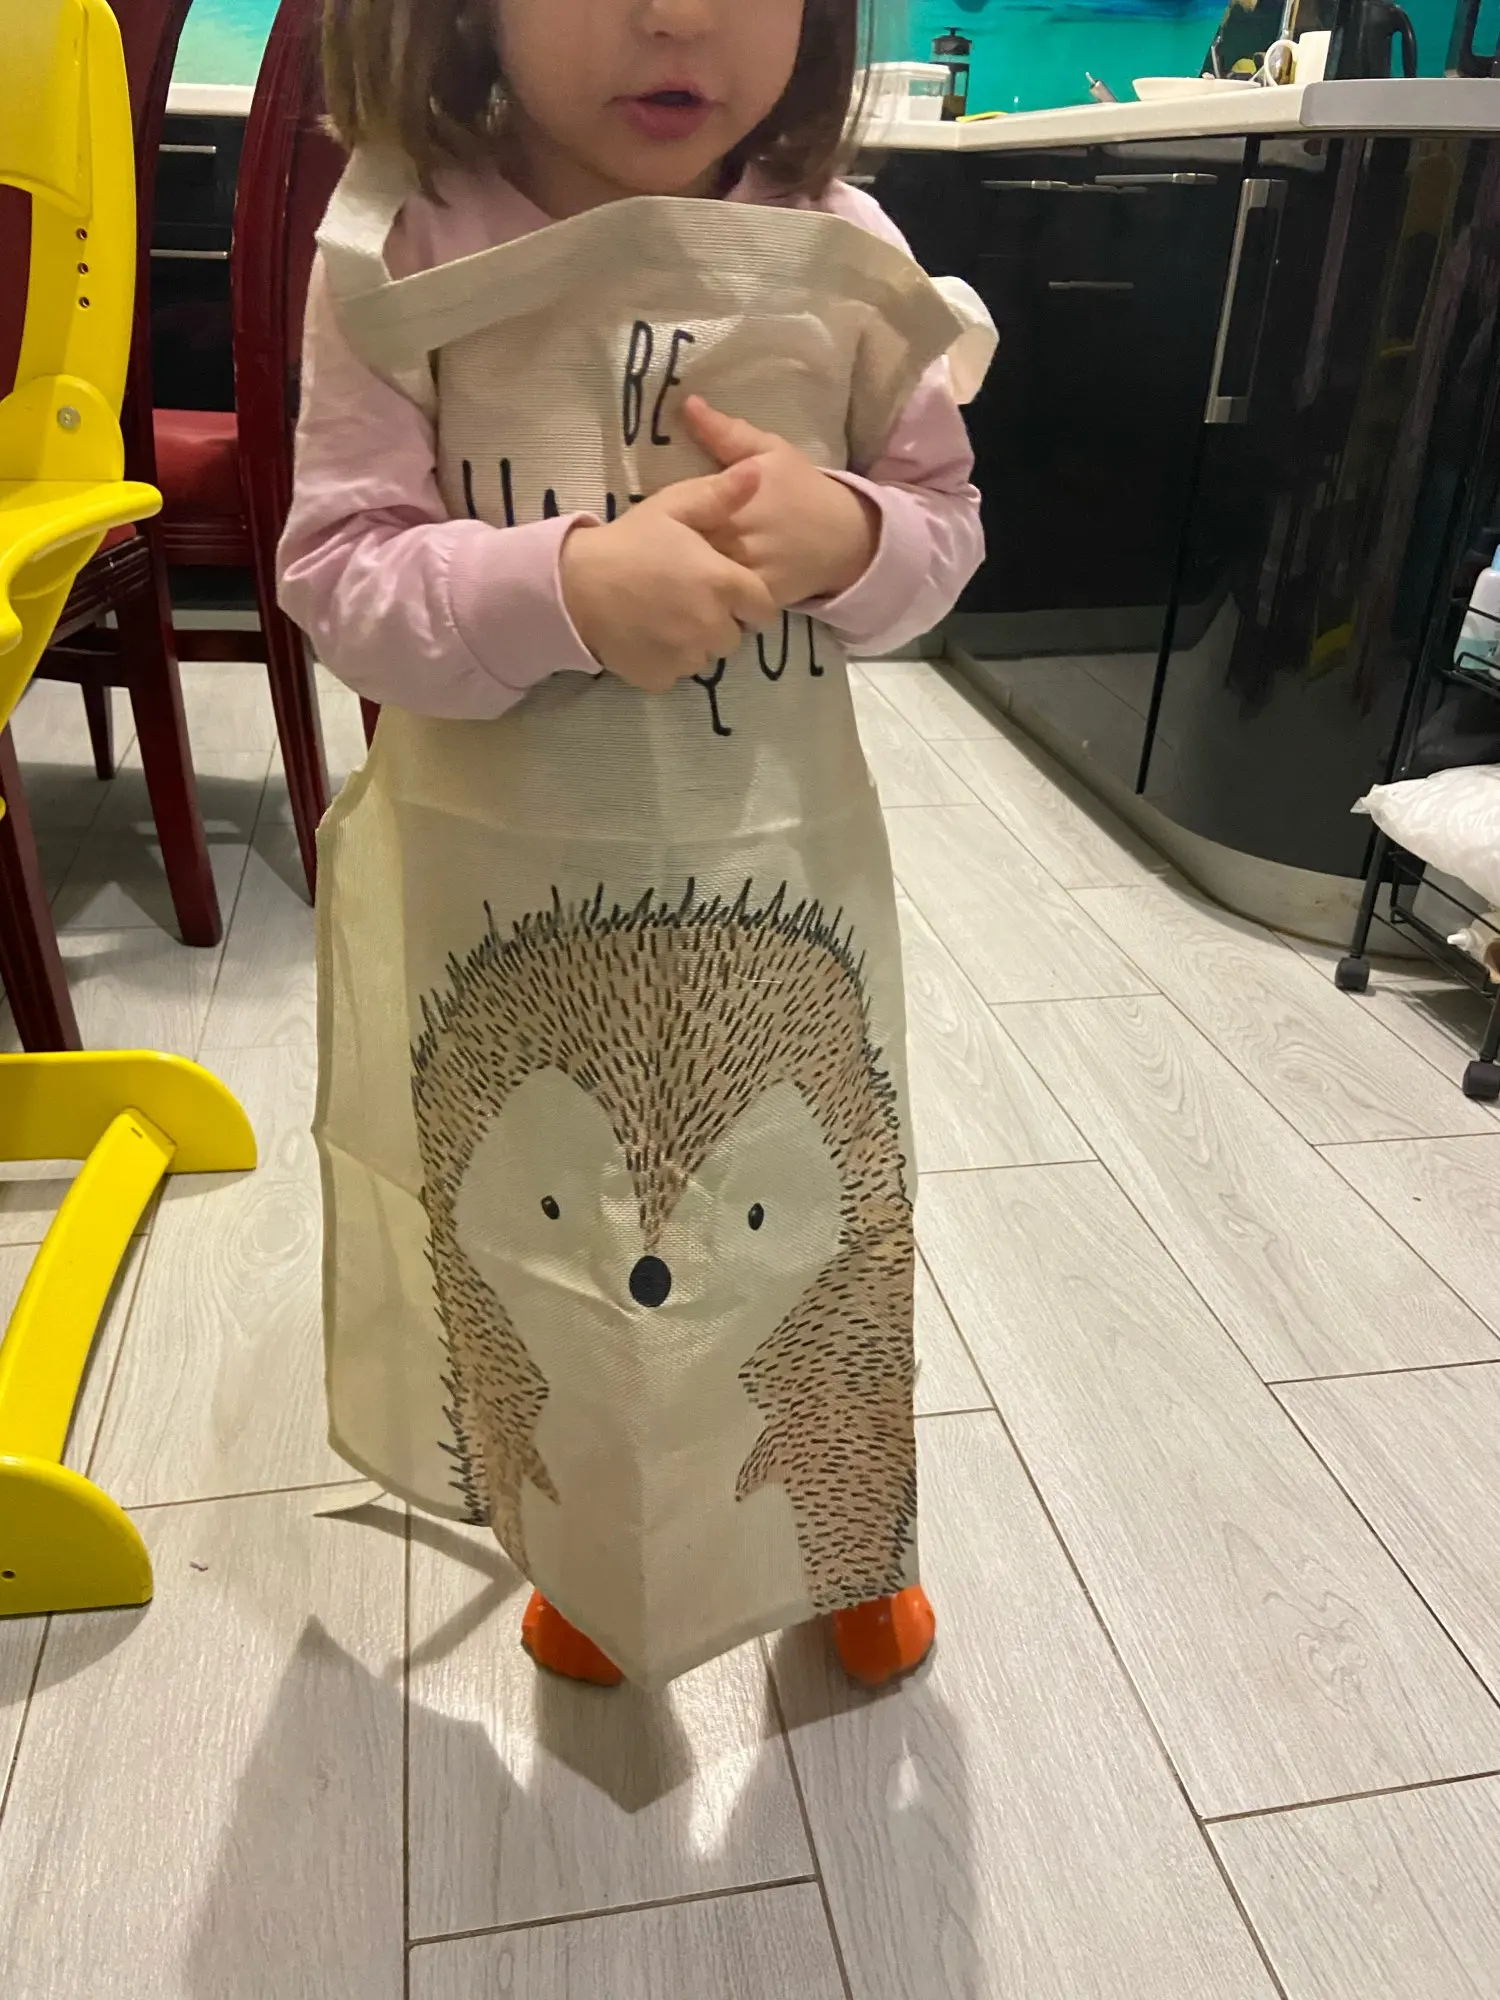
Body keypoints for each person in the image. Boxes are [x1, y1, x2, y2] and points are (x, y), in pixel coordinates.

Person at [278, 0, 992, 1694]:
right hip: (505, 894)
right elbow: (339, 570)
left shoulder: (840, 252)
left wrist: (855, 534)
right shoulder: (407, 246)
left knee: (815, 1228)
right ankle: (596, 1551)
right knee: (562, 1250)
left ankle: (841, 1531)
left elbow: (945, 529)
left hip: (775, 890)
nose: (678, 17)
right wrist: (565, 586)